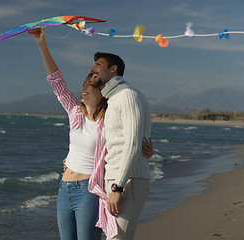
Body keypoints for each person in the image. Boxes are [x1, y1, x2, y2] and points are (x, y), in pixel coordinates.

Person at [31, 28, 153, 240]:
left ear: (101, 92)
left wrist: (147, 151)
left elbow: (127, 140)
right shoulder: (74, 113)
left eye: (90, 85)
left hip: (89, 190)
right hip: (64, 188)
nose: (84, 88)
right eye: (83, 85)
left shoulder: (108, 121)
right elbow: (57, 82)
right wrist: (42, 43)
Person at [89, 52, 152, 240]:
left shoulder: (127, 95)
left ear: (113, 69)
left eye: (98, 65)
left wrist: (118, 188)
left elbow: (132, 144)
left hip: (127, 181)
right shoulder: (114, 98)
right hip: (119, 180)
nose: (92, 69)